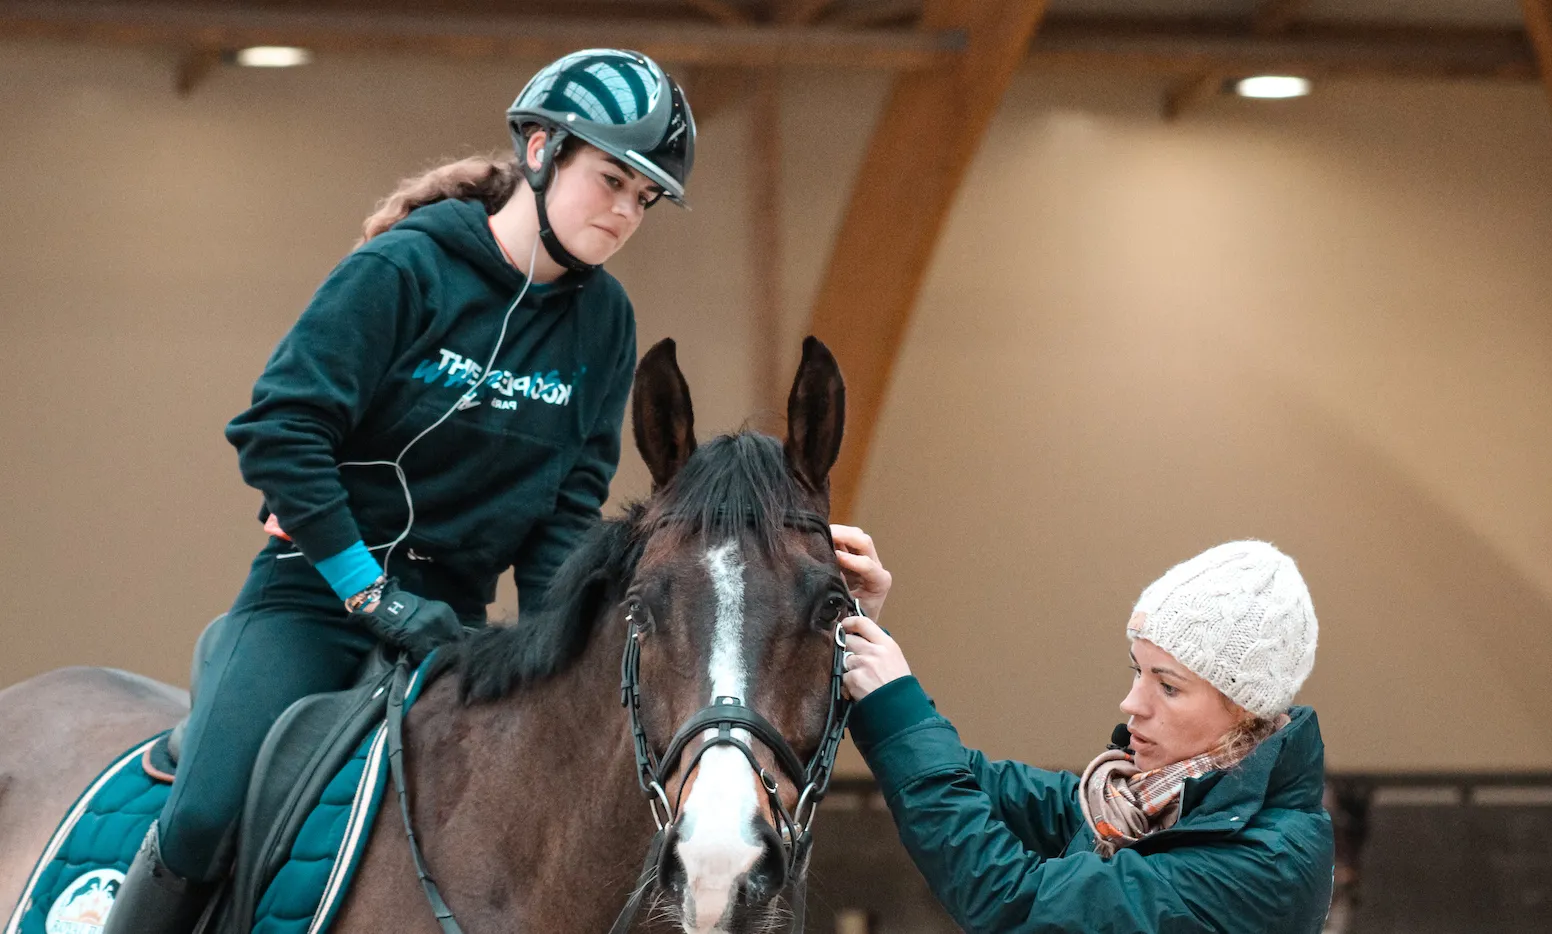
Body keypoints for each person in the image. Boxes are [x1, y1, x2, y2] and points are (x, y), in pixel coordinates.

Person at [105, 49, 696, 934]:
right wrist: (370, 593)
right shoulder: (404, 271)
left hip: (451, 628)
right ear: (539, 149)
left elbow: (566, 510)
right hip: (311, 597)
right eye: (612, 178)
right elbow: (282, 432)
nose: (624, 211)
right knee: (201, 815)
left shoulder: (606, 322)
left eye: (644, 198)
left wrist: (552, 647)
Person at [830, 533, 1334, 933]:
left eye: (1169, 686)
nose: (1131, 703)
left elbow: (1016, 904)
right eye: (1138, 671)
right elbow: (976, 782)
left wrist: (895, 701)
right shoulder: (1141, 804)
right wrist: (858, 630)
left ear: (1245, 711)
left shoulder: (1265, 866)